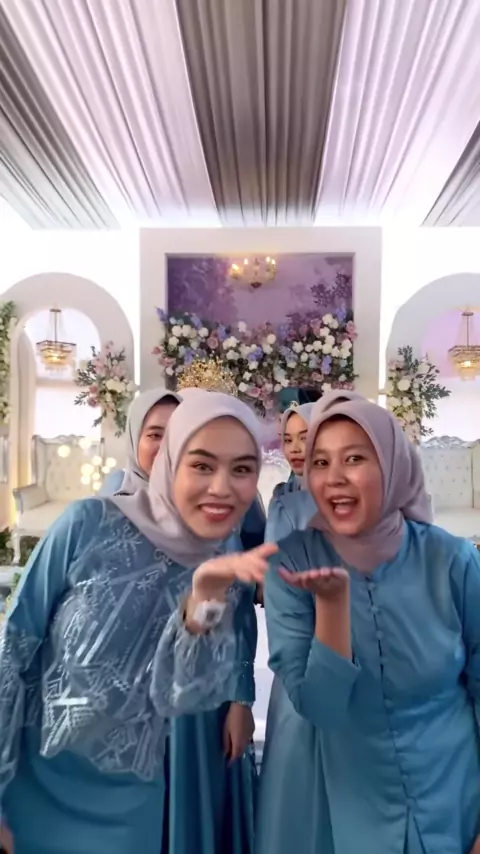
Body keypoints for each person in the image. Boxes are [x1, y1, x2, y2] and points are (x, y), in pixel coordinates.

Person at [0, 392, 276, 854]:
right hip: (30, 781)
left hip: (130, 803)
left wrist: (203, 605)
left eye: (242, 469)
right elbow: (13, 644)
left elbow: (183, 696)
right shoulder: (89, 522)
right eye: (202, 464)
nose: (221, 486)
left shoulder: (219, 564)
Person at [260, 391, 480, 854]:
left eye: (355, 458)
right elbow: (320, 707)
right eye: (321, 462)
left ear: (393, 465)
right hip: (346, 804)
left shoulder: (452, 560)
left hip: (455, 796)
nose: (334, 478)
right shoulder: (291, 565)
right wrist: (333, 610)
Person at [99, 388, 181, 495]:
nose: (166, 447)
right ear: (134, 441)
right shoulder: (112, 503)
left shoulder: (198, 500)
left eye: (175, 435)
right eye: (155, 435)